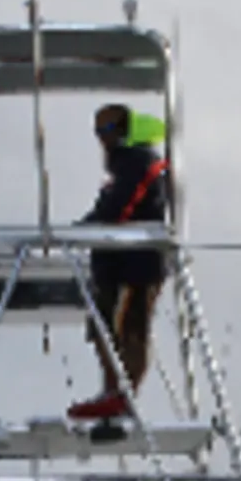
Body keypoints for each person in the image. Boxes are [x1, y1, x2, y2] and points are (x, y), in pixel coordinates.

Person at [68, 102, 170, 426]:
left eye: (108, 130)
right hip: (112, 261)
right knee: (102, 327)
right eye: (97, 131)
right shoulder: (119, 167)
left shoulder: (141, 160)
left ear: (126, 129)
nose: (102, 138)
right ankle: (110, 391)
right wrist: (83, 229)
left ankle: (124, 395)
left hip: (139, 263)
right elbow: (106, 207)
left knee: (130, 329)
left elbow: (123, 206)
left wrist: (97, 225)